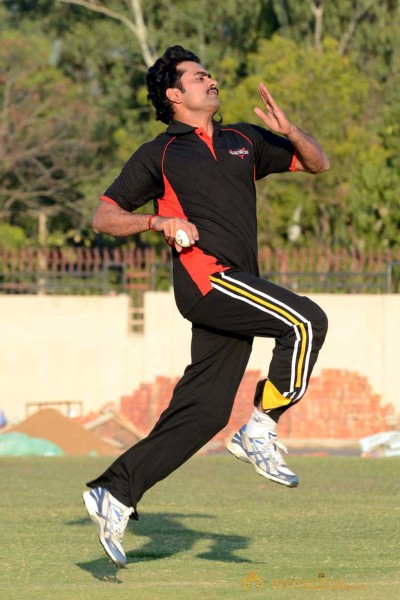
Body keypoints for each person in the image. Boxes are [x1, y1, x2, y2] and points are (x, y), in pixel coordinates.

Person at [83, 45, 329, 567]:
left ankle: (116, 491)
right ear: (175, 95)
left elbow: (316, 163)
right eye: (198, 77)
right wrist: (157, 222)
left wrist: (291, 133)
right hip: (208, 280)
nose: (211, 80)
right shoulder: (161, 154)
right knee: (305, 319)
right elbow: (104, 217)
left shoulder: (244, 139)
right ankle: (261, 426)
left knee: (205, 411)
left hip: (239, 284)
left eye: (210, 74)